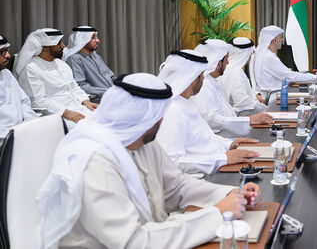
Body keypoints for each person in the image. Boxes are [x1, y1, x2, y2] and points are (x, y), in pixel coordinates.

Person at [35, 73, 260, 248]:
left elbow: (177, 186)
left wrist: (229, 195)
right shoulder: (95, 161)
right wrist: (216, 214)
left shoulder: (142, 142)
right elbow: (134, 242)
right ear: (144, 118)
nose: (163, 119)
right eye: (159, 115)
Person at [156, 50, 260, 174]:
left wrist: (230, 144)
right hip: (203, 177)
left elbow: (204, 138)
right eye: (201, 75)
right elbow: (173, 162)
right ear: (193, 79)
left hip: (218, 163)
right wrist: (223, 159)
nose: (204, 80)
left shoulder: (185, 102)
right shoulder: (172, 112)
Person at [14, 28, 97, 127]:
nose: (63, 46)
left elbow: (74, 87)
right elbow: (38, 102)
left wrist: (86, 101)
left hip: (78, 108)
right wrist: (67, 113)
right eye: (58, 43)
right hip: (56, 116)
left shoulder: (61, 64)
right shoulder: (31, 69)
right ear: (44, 47)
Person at [191, 39, 273, 136]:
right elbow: (213, 120)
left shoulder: (212, 81)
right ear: (217, 64)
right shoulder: (205, 86)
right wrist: (249, 120)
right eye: (226, 60)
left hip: (232, 131)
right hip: (225, 136)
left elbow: (224, 112)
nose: (228, 63)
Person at [253, 26, 316, 91]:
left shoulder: (262, 54)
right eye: (281, 38)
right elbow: (290, 76)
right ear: (274, 40)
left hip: (275, 93)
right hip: (275, 96)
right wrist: (314, 77)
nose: (282, 40)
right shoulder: (268, 57)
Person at [217, 37, 268, 115]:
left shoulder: (227, 68)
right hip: (239, 118)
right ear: (246, 54)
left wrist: (255, 94)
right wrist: (266, 110)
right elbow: (243, 103)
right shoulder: (236, 73)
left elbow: (240, 89)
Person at [63, 26, 115, 102]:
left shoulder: (96, 57)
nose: (97, 40)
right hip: (96, 100)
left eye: (96, 37)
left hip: (111, 96)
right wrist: (108, 92)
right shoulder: (74, 59)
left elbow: (111, 76)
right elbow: (80, 86)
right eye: (93, 37)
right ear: (82, 40)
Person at [0, 34, 37, 134]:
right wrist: (14, 136)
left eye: (6, 50)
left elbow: (24, 102)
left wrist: (29, 124)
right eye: (2, 52)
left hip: (22, 131)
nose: (8, 55)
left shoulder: (6, 73)